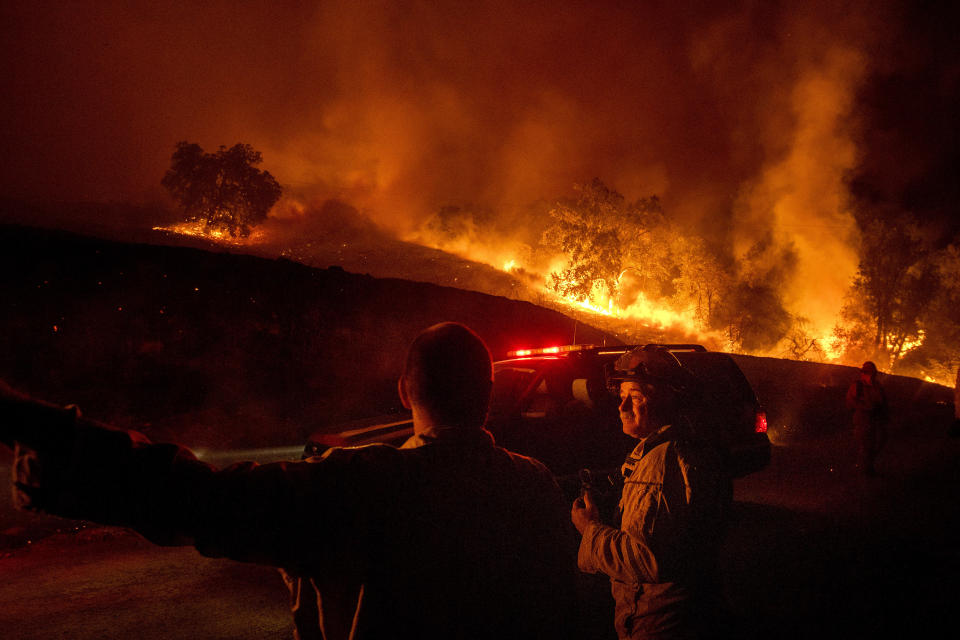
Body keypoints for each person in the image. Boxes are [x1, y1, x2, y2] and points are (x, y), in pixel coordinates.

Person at [1, 322, 575, 640]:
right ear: (487, 396)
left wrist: (51, 435)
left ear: (405, 392)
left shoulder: (362, 485)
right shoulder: (535, 486)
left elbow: (198, 500)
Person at [570, 346, 731, 640]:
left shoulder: (664, 462)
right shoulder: (673, 447)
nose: (622, 408)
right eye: (621, 398)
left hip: (659, 623)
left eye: (635, 398)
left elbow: (647, 558)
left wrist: (589, 530)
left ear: (665, 399)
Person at [845, 360, 889, 476]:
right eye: (865, 372)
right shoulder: (857, 386)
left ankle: (868, 466)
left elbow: (883, 402)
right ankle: (865, 471)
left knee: (877, 443)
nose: (867, 374)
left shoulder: (878, 387)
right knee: (865, 446)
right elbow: (850, 402)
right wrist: (864, 407)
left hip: (875, 419)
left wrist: (883, 414)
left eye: (869, 372)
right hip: (862, 420)